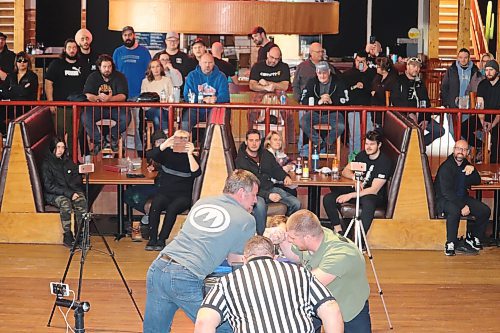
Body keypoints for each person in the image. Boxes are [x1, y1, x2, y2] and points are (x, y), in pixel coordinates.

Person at [143, 169, 259, 333]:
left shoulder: (202, 202)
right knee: (222, 328)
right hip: (185, 276)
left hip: (158, 267)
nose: (255, 200)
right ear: (241, 193)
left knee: (154, 331)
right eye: (254, 195)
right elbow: (235, 261)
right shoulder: (246, 219)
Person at [195, 235, 344, 333]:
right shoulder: (300, 273)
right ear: (274, 256)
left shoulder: (226, 282)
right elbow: (331, 310)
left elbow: (203, 322)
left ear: (245, 259)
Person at [283, 209, 371, 332]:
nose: (290, 240)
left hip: (348, 308)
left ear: (307, 237)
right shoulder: (316, 237)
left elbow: (309, 284)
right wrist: (282, 239)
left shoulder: (340, 254)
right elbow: (294, 255)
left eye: (292, 237)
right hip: (321, 302)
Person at [323, 130, 393, 233]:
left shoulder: (384, 162)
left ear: (379, 145)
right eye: (366, 144)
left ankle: (360, 239)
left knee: (368, 203)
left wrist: (351, 195)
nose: (368, 147)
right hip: (358, 189)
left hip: (372, 194)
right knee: (328, 198)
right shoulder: (362, 155)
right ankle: (339, 231)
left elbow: (374, 189)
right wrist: (354, 177)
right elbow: (345, 171)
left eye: (372, 144)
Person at [235, 129, 301, 236]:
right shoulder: (241, 160)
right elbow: (246, 184)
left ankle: (288, 233)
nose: (254, 143)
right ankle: (260, 237)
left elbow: (276, 169)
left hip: (269, 188)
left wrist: (285, 176)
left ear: (260, 142)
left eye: (257, 140)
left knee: (296, 203)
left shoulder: (266, 154)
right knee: (260, 207)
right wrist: (268, 195)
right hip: (252, 193)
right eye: (251, 140)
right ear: (246, 142)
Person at [144, 129, 201, 251]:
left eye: (184, 138)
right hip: (165, 193)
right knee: (155, 205)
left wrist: (190, 154)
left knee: (172, 209)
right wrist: (165, 145)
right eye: (178, 138)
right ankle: (152, 238)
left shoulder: (192, 156)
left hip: (183, 196)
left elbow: (196, 172)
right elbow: (149, 155)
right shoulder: (167, 153)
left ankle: (161, 239)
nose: (181, 141)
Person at [434, 140, 490, 256]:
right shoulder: (446, 167)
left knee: (484, 210)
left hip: (461, 197)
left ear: (467, 152)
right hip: (444, 199)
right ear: (454, 150)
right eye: (458, 149)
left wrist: (473, 170)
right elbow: (446, 192)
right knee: (454, 211)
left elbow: (477, 180)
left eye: (464, 150)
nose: (461, 152)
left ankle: (473, 237)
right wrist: (462, 206)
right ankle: (450, 243)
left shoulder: (466, 164)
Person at [41, 136, 88, 248]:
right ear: (53, 148)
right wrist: (69, 193)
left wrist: (75, 188)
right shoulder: (46, 164)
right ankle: (67, 235)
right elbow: (49, 186)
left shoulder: (67, 160)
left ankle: (82, 234)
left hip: (69, 190)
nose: (60, 150)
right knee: (65, 204)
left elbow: (76, 173)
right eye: (58, 147)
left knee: (81, 201)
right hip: (53, 194)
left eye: (62, 147)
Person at [45, 38, 88, 153]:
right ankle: (60, 158)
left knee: (75, 134)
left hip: (78, 106)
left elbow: (88, 83)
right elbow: (48, 83)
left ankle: (72, 159)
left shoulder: (83, 64)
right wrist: (50, 102)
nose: (72, 50)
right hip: (60, 106)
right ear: (65, 49)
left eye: (74, 48)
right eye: (69, 48)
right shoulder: (56, 64)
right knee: (59, 134)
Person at [391, 57, 445, 146]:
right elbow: (395, 100)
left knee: (439, 130)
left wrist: (425, 118)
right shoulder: (398, 80)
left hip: (420, 116)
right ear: (407, 66)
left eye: (418, 67)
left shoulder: (420, 82)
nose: (416, 69)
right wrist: (409, 113)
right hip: (404, 115)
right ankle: (412, 145)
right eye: (413, 66)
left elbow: (426, 101)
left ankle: (418, 145)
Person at [82, 54, 129, 155]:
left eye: (109, 66)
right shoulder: (93, 76)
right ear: (99, 67)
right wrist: (98, 98)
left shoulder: (119, 76)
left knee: (126, 117)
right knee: (85, 117)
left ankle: (111, 137)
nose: (107, 69)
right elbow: (87, 94)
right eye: (104, 67)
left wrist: (110, 99)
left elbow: (123, 96)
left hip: (116, 107)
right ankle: (99, 141)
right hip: (98, 107)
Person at [299, 60, 347, 152]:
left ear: (329, 72)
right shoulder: (312, 82)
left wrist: (332, 101)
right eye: (319, 73)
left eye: (324, 73)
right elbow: (303, 99)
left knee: (340, 126)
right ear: (316, 73)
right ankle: (320, 143)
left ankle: (327, 143)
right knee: (303, 122)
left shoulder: (338, 81)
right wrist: (319, 102)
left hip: (333, 113)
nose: (322, 76)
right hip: (315, 112)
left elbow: (346, 99)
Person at [182, 53, 230, 130]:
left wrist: (216, 99)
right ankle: (183, 141)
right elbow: (187, 95)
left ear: (214, 63)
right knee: (185, 123)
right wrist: (202, 100)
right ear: (200, 63)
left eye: (210, 62)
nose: (207, 65)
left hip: (214, 109)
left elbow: (225, 96)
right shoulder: (192, 76)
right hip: (195, 108)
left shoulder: (221, 76)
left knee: (217, 126)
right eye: (205, 62)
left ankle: (212, 142)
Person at [341, 51, 375, 154]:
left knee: (369, 135)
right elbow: (345, 90)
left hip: (369, 108)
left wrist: (366, 72)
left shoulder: (372, 73)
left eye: (363, 61)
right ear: (354, 61)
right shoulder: (347, 74)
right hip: (353, 107)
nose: (360, 63)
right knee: (354, 136)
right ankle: (354, 159)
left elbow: (374, 88)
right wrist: (355, 86)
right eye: (358, 61)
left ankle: (369, 157)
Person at [0, 52, 38, 134]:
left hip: (27, 107)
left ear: (28, 63)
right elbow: (3, 90)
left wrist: (11, 90)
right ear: (16, 62)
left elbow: (25, 92)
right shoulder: (11, 76)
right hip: (11, 106)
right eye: (19, 60)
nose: (22, 63)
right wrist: (18, 90)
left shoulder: (32, 76)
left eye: (25, 61)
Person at [113, 26, 151, 101]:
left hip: (139, 93)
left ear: (134, 35)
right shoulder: (117, 52)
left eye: (130, 35)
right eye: (125, 35)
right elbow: (113, 72)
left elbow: (149, 71)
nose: (128, 37)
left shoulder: (144, 51)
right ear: (122, 37)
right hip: (121, 93)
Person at [476, 59, 500, 163]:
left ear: (497, 71)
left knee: (496, 139)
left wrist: (492, 124)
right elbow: (480, 105)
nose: (488, 73)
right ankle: (481, 146)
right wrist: (482, 121)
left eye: (491, 70)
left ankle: (495, 166)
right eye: (486, 70)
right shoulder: (482, 84)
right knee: (464, 127)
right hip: (485, 116)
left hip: (498, 117)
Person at [140, 59, 174, 131]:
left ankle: (158, 139)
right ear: (150, 69)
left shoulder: (167, 80)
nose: (156, 69)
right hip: (150, 109)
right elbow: (143, 99)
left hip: (166, 108)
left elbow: (171, 96)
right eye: (153, 67)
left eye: (157, 66)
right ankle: (165, 132)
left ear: (161, 68)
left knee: (157, 118)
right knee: (158, 111)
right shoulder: (145, 81)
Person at [264, 130, 297, 196]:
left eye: (280, 140)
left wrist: (288, 167)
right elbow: (271, 172)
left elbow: (293, 163)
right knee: (291, 191)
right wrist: (282, 171)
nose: (278, 142)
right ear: (269, 142)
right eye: (275, 140)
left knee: (292, 190)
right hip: (269, 185)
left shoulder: (279, 154)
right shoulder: (266, 155)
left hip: (279, 182)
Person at [370, 56, 398, 126]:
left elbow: (389, 94)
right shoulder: (377, 77)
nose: (376, 67)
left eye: (378, 66)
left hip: (385, 111)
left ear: (384, 68)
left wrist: (376, 93)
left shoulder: (392, 79)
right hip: (375, 109)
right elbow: (373, 87)